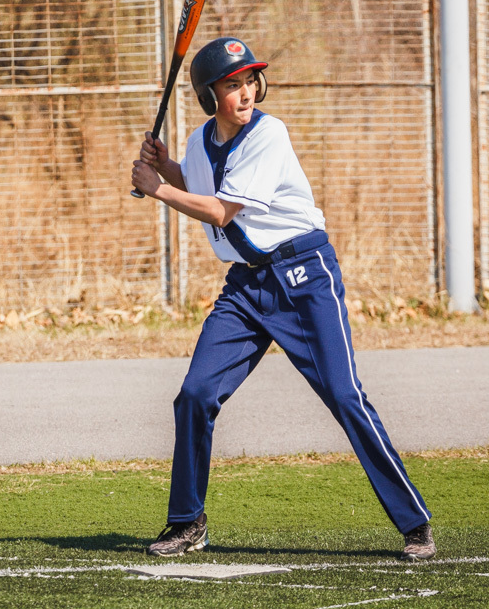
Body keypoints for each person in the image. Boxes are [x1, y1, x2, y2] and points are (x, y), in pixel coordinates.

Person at [131, 37, 435, 561]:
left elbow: (222, 212)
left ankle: (414, 522)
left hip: (303, 278)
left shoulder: (269, 134)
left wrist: (157, 190)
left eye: (250, 80)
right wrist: (167, 168)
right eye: (232, 84)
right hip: (247, 287)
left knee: (344, 397)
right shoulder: (201, 140)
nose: (246, 92)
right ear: (209, 96)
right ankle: (187, 521)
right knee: (195, 394)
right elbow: (201, 184)